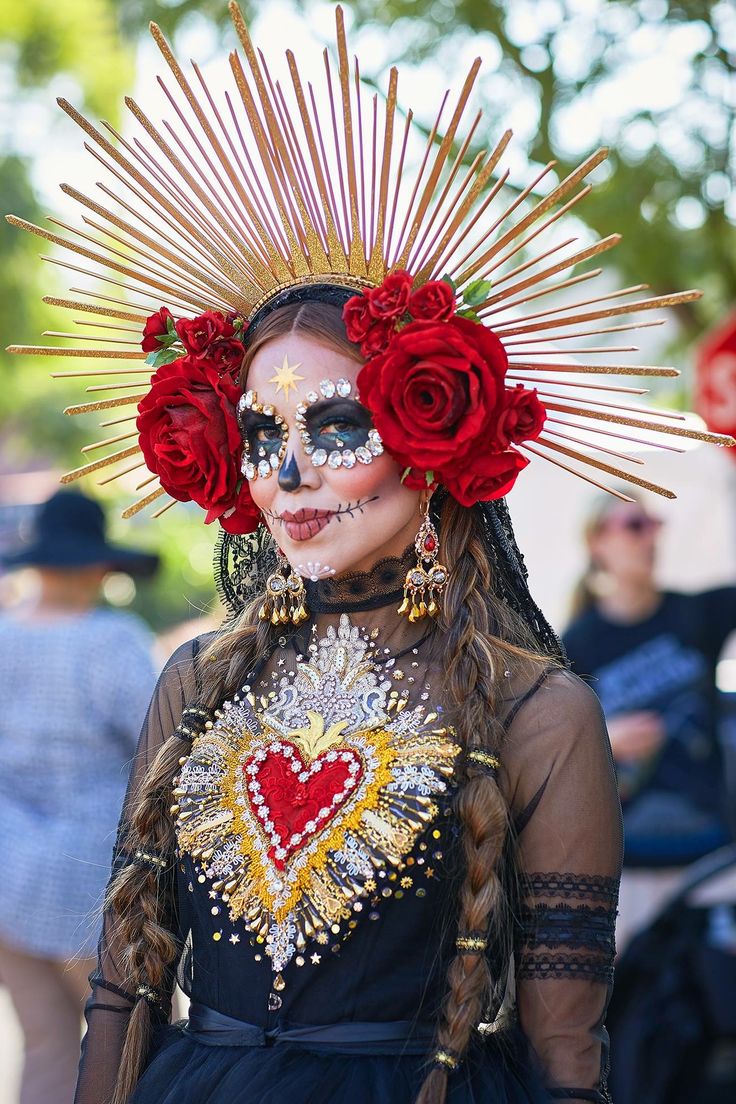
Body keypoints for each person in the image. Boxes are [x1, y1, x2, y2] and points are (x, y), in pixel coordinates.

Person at [8, 8, 731, 1104]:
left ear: (434, 439)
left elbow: (567, 1056)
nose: (286, 473)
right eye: (262, 436)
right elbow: (122, 992)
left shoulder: (542, 715)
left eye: (336, 428)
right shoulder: (197, 681)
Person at [0, 489, 159, 1104]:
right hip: (88, 885)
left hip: (8, 873)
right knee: (122, 1053)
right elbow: (158, 747)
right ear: (100, 565)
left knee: (45, 1047)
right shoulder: (110, 640)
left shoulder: (4, 635)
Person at [563, 494, 735, 949]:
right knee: (634, 1008)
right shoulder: (574, 643)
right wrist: (604, 740)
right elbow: (544, 752)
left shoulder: (696, 613)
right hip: (627, 866)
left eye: (655, 523)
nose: (651, 537)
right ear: (598, 542)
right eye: (635, 525)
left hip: (711, 853)